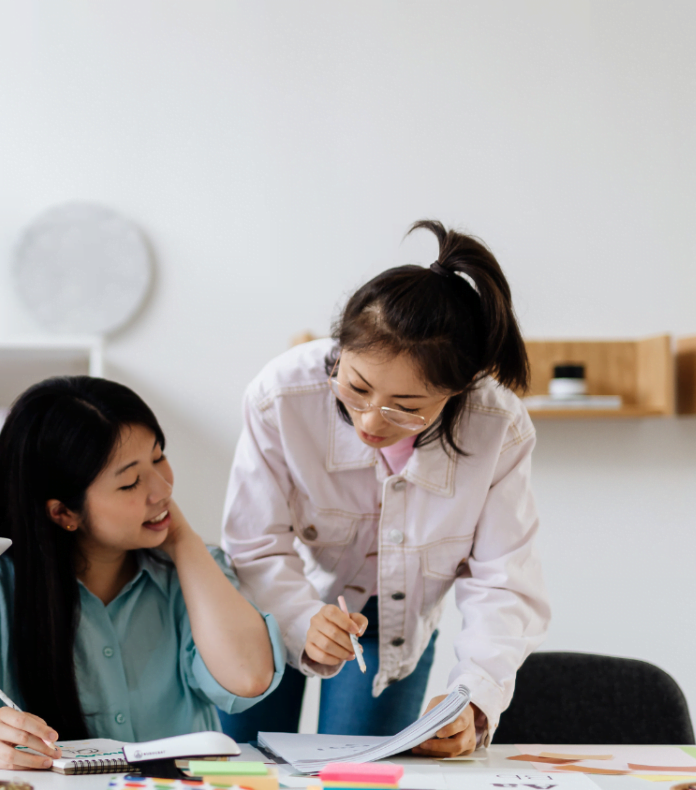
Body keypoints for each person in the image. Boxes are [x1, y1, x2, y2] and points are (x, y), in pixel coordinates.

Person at [219, 220, 551, 757]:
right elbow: (255, 544)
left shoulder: (499, 428)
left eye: (408, 408)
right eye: (356, 387)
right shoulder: (280, 395)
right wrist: (302, 619)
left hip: (393, 624)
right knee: (244, 769)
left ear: (456, 393)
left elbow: (504, 581)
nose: (372, 420)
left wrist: (473, 698)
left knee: (360, 780)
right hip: (265, 605)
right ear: (339, 348)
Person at [0, 376, 285, 769]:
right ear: (63, 512)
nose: (162, 489)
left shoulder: (194, 571)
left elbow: (248, 677)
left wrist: (181, 539)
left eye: (159, 457)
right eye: (130, 483)